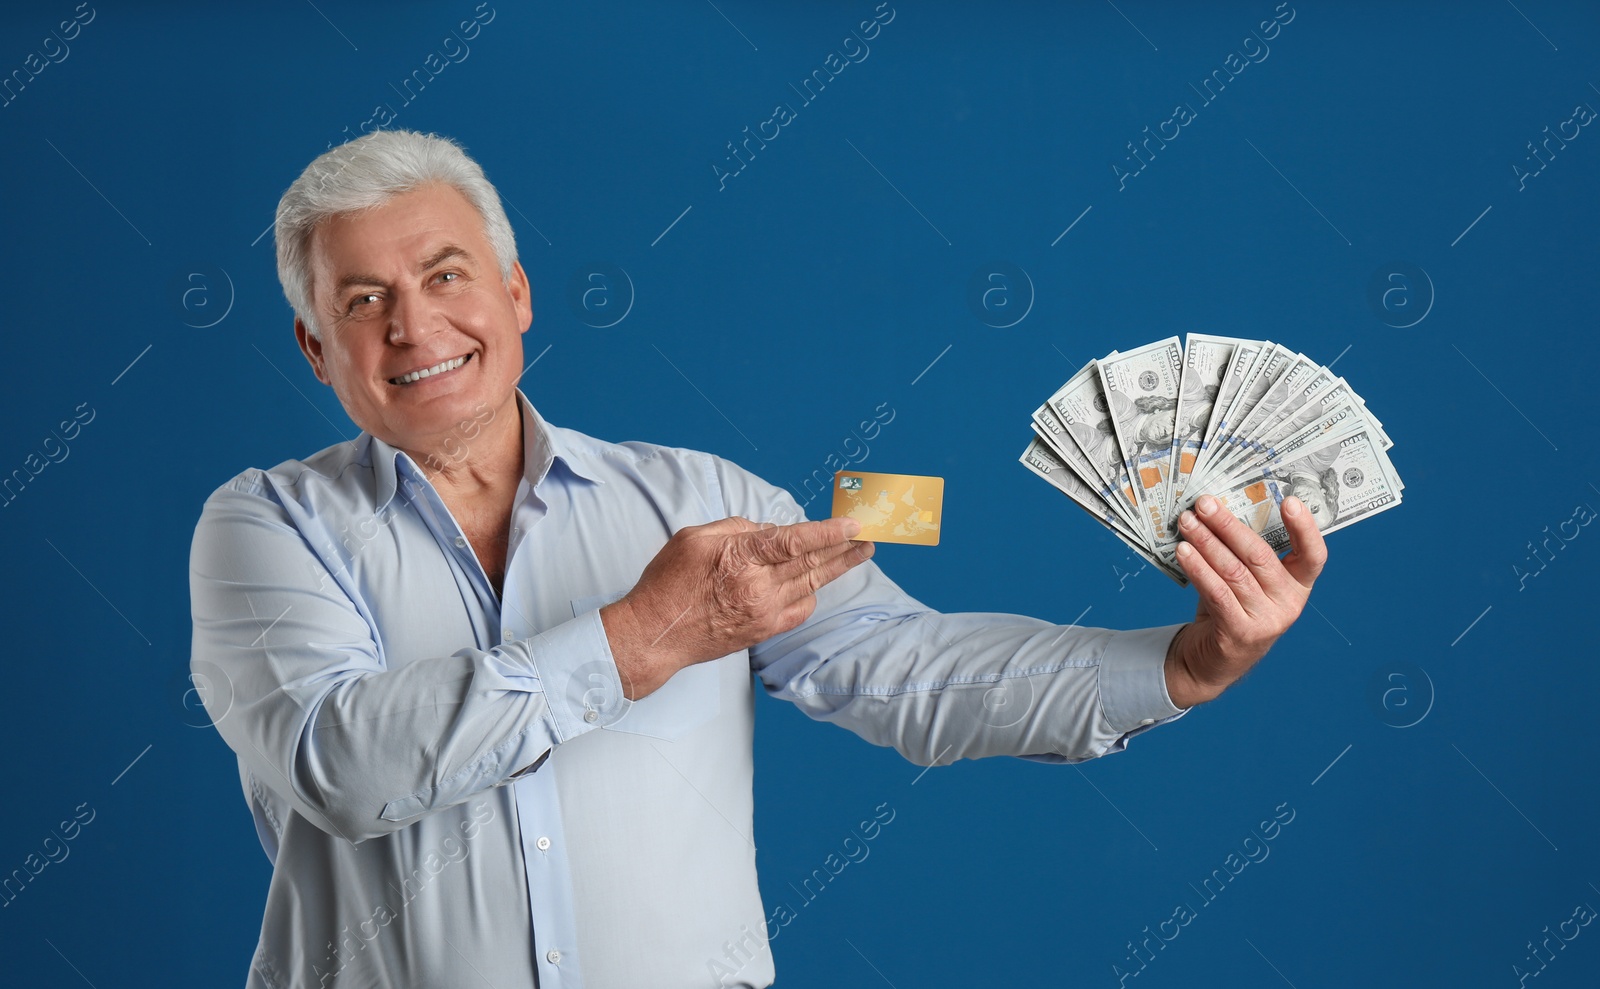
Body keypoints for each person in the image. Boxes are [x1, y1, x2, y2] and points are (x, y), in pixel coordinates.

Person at [188, 129, 1328, 989]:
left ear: (516, 294)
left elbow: (899, 667)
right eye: (364, 299)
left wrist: (1184, 662)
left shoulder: (706, 498)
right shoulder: (263, 528)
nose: (414, 325)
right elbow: (340, 765)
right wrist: (648, 633)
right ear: (315, 346)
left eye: (445, 275)